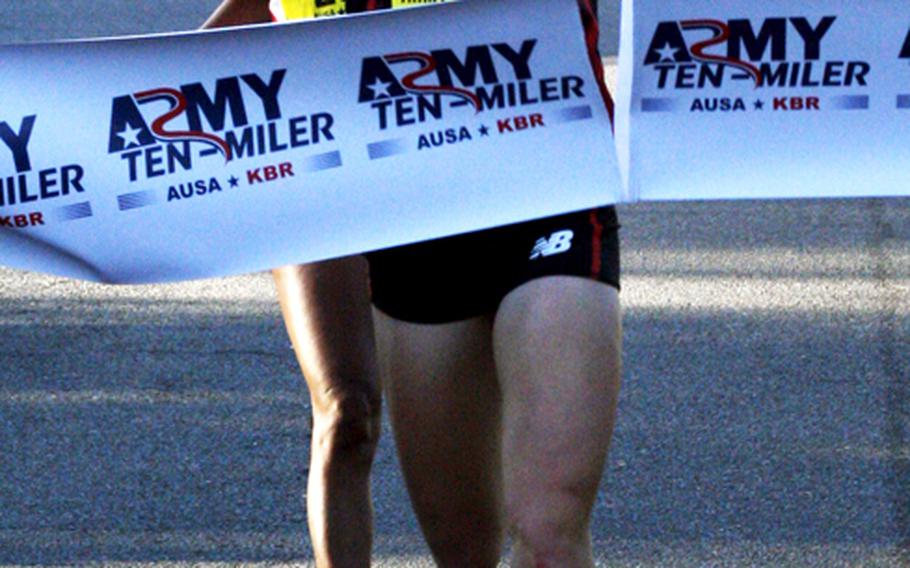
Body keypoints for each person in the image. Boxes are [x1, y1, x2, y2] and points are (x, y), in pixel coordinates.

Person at [210, 1, 621, 566]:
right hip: (416, 224)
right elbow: (247, 23)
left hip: (550, 193)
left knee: (549, 536)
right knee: (463, 553)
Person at [202, 5, 382, 567]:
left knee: (463, 436)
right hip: (314, 164)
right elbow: (218, 41)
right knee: (346, 412)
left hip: (443, 158)